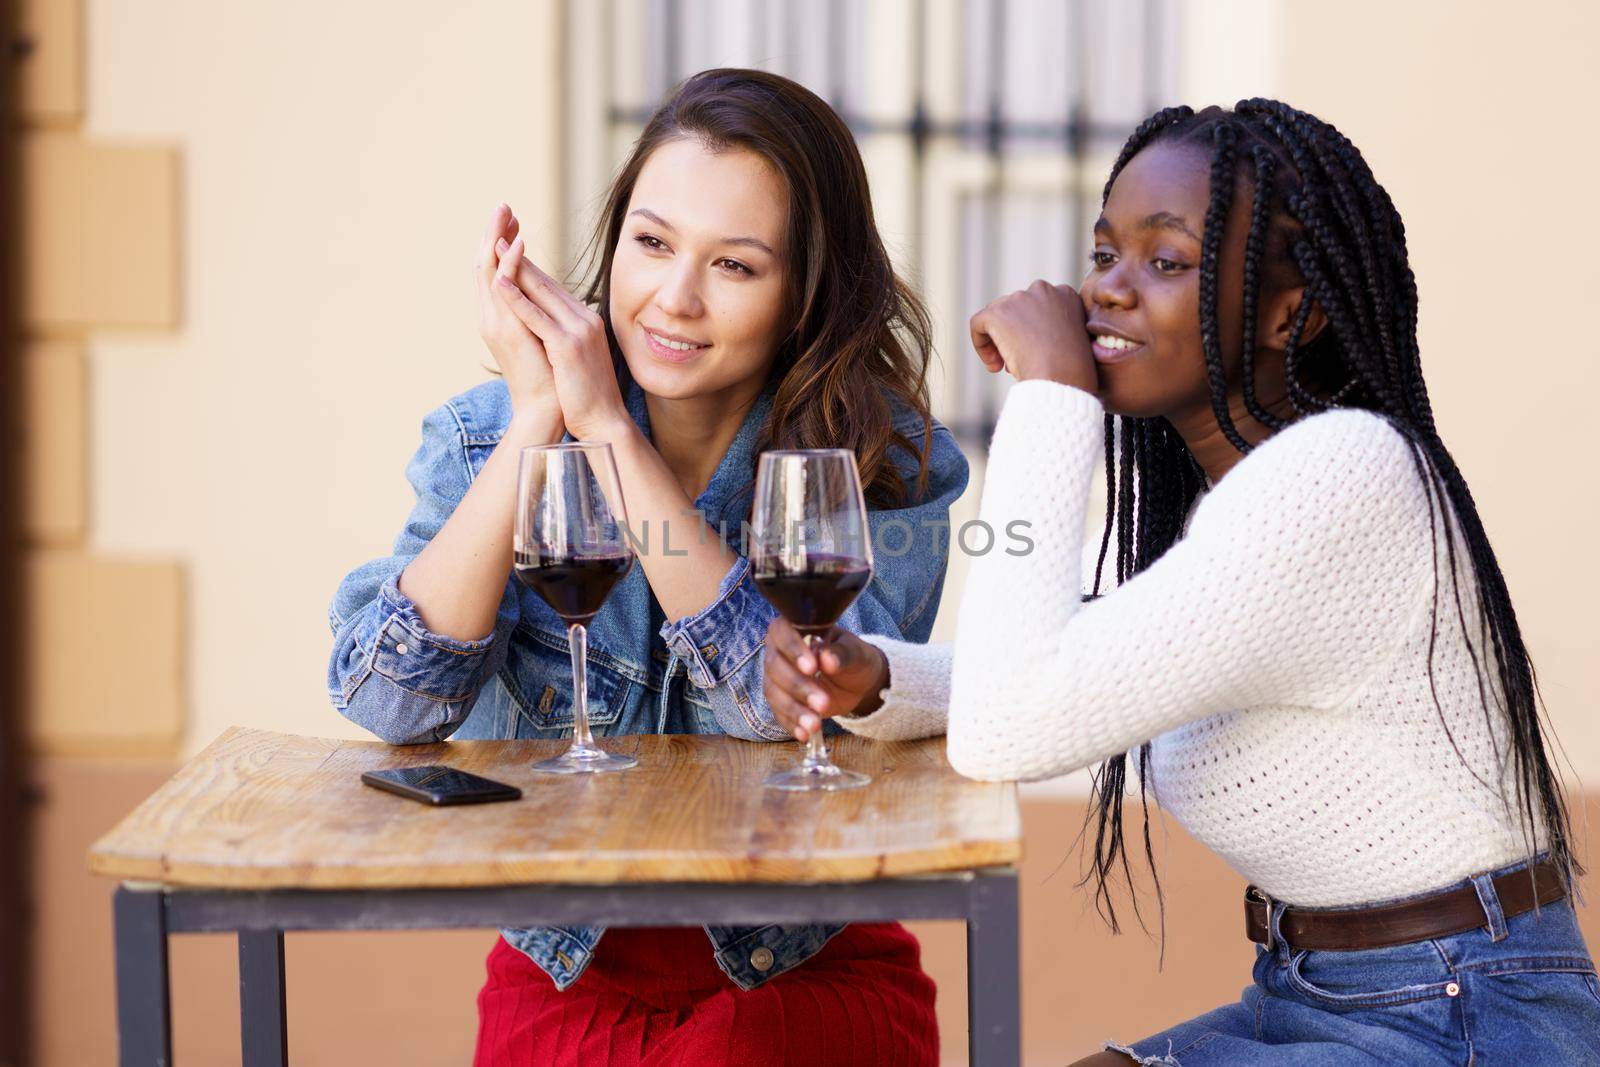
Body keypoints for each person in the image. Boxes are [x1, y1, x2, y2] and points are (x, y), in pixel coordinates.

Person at [762, 100, 1600, 1064]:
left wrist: (1045, 399)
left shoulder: (1338, 477)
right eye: (1104, 252)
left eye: (1165, 262)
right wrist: (876, 679)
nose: (1109, 290)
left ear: (1296, 312)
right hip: (1319, 989)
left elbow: (1008, 724)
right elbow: (1032, 674)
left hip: (1463, 1013)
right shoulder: (1218, 507)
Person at [327, 69, 967, 1066]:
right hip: (565, 973)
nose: (676, 297)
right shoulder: (481, 436)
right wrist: (541, 419)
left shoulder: (882, 463)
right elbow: (390, 702)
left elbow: (787, 704)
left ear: (803, 290)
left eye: (736, 266)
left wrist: (609, 431)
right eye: (653, 243)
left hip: (796, 975)